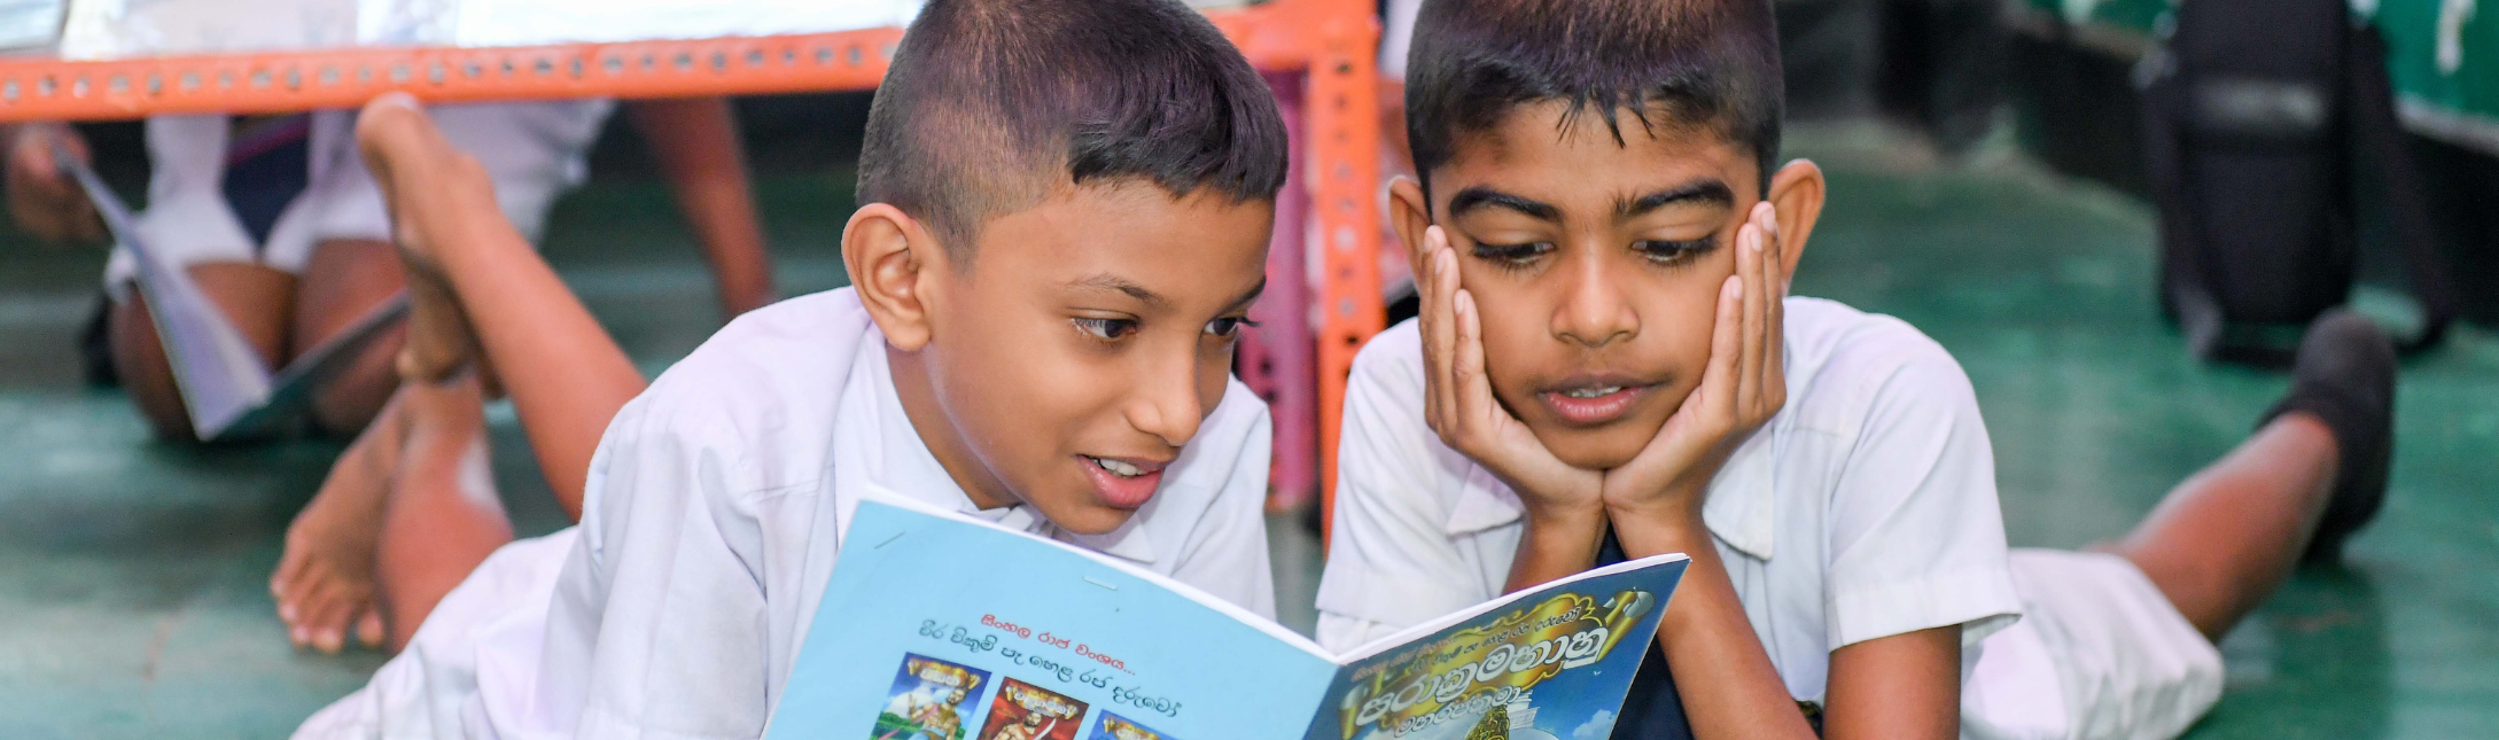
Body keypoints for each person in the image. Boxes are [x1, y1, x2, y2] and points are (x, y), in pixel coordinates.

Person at [1314, 1, 2398, 738]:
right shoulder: (1403, 397)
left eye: (1669, 244)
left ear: (1779, 230)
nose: (1592, 317)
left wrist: (1659, 522)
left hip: (1987, 688)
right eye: (1516, 248)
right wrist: (1562, 530)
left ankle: (2327, 424)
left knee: (2159, 587)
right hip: (1879, 580)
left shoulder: (1883, 398)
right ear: (1423, 243)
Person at [288, 0, 1288, 735]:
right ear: (902, 280)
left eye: (1222, 327)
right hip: (506, 711)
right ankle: (442, 387)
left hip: (632, 585)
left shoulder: (1216, 444)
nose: (1179, 410)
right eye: (1110, 325)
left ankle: (435, 391)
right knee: (488, 642)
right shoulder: (726, 445)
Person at [1, 96, 774, 442]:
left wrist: (752, 304)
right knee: (181, 378)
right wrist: (28, 120)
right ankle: (440, 357)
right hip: (258, 71)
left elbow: (662, 34)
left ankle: (438, 307)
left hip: (470, 56)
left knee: (367, 364)